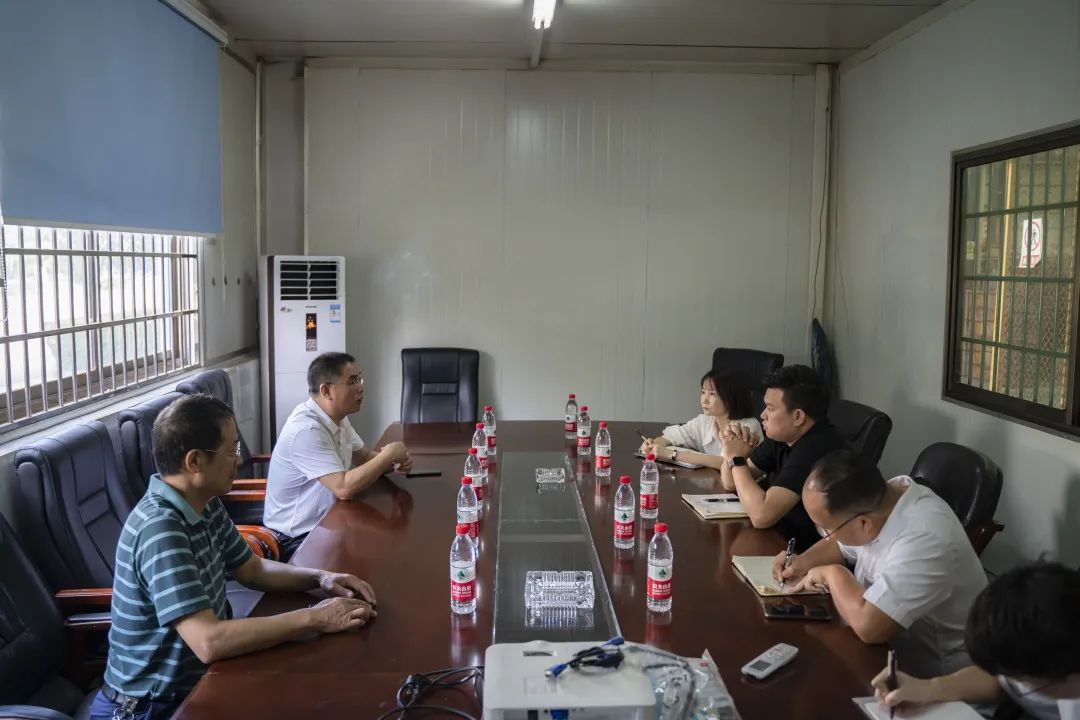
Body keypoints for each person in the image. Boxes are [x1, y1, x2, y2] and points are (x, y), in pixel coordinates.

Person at [90, 394, 378, 720]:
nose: (239, 460)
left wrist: (321, 578)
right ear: (194, 462)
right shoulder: (162, 529)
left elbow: (251, 569)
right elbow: (208, 641)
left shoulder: (203, 501)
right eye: (231, 450)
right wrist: (315, 618)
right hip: (151, 707)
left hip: (197, 683)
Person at [776, 449, 987, 678]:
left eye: (826, 528)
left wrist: (833, 574)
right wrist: (801, 561)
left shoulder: (925, 539)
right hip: (886, 655)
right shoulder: (881, 500)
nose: (826, 535)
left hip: (938, 679)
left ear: (864, 523)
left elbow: (870, 628)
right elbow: (841, 545)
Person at [871, 562, 1080, 720]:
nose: (1015, 683)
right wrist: (929, 689)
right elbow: (998, 682)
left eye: (1022, 679)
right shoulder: (1054, 641)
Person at [263, 352, 412, 559]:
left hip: (330, 521)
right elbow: (343, 488)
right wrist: (387, 455)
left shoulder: (338, 418)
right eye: (352, 381)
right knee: (381, 554)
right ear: (326, 391)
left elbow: (364, 458)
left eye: (360, 379)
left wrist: (394, 462)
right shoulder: (306, 429)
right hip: (296, 538)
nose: (360, 387)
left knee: (389, 548)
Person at [718, 364, 845, 550]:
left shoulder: (817, 449)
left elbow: (761, 516)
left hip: (805, 553)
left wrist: (737, 459)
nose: (762, 415)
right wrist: (731, 449)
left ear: (798, 417)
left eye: (770, 409)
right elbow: (730, 482)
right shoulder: (784, 436)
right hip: (780, 539)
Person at [639, 369, 762, 471]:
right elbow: (672, 436)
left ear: (731, 397)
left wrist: (672, 454)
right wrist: (655, 445)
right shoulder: (704, 421)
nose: (704, 400)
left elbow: (728, 463)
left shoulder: (748, 426)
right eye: (703, 392)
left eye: (712, 394)